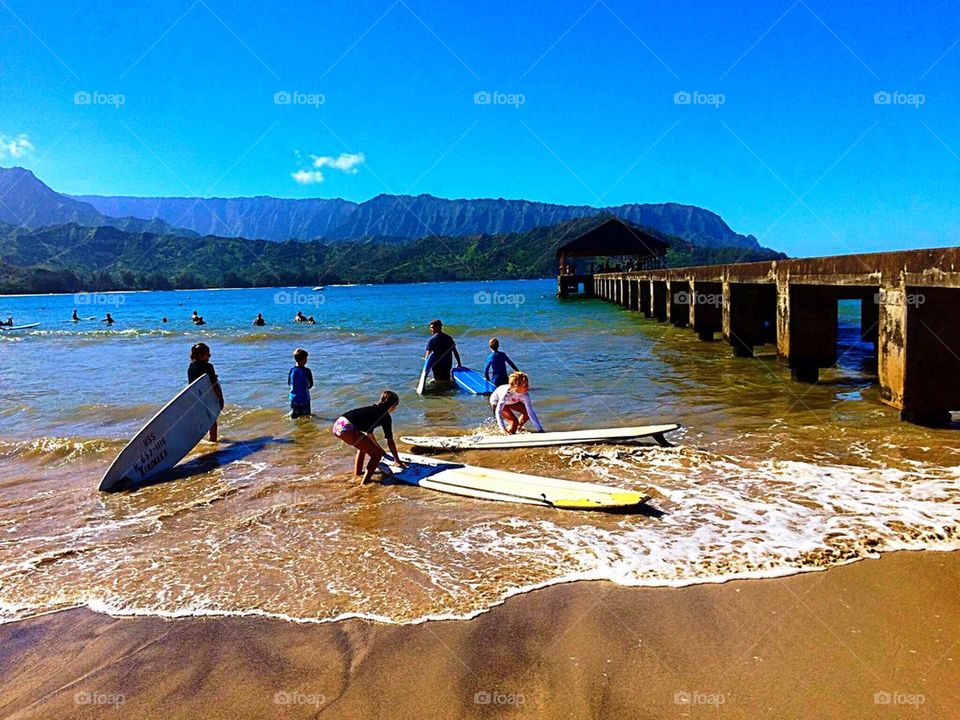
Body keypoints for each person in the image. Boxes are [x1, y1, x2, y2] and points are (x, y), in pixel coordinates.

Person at [332, 391, 407, 485]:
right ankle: (364, 484)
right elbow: (390, 441)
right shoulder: (386, 416)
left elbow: (369, 436)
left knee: (363, 448)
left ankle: (358, 473)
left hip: (338, 425)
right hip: (347, 428)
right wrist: (397, 461)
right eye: (396, 405)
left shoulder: (373, 409)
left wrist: (379, 449)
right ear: (393, 405)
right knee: (376, 456)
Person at [187, 342, 225, 441]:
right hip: (207, 398)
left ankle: (202, 443)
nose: (210, 356)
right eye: (208, 354)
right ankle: (213, 442)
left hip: (196, 399)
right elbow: (214, 385)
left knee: (202, 422)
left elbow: (193, 384)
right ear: (200, 355)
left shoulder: (191, 367)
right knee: (213, 422)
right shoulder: (208, 367)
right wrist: (220, 399)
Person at [288, 348, 313, 418]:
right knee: (306, 417)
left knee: (295, 416)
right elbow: (310, 385)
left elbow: (289, 383)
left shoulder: (291, 370)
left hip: (294, 398)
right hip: (304, 398)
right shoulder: (307, 371)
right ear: (304, 360)